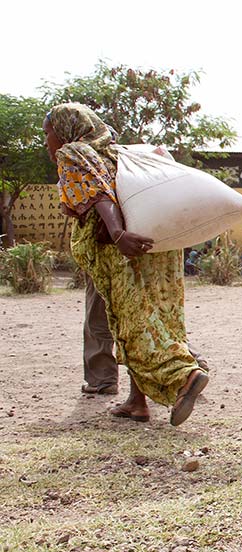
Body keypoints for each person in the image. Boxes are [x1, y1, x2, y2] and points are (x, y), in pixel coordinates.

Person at [44, 103, 209, 426]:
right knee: (150, 316)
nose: (47, 141)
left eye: (47, 132)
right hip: (152, 245)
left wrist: (118, 234)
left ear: (64, 130)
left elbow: (99, 194)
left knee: (131, 322)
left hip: (121, 251)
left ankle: (185, 375)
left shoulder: (74, 152)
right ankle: (137, 402)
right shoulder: (117, 153)